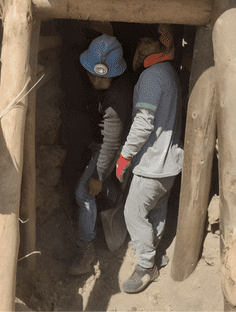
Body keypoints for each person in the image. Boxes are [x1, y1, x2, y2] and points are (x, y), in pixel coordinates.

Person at [116, 24, 184, 294]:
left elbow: (144, 122)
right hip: (170, 164)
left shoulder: (152, 76)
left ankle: (146, 268)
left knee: (133, 213)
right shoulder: (169, 72)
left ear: (163, 46)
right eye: (141, 41)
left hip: (153, 165)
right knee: (156, 212)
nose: (143, 47)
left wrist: (124, 156)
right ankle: (155, 254)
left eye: (149, 42)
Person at [67, 34, 133, 276]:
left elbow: (111, 143)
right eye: (92, 74)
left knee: (83, 191)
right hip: (107, 143)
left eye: (101, 77)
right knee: (93, 185)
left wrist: (98, 174)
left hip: (112, 148)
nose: (95, 80)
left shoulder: (116, 100)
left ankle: (84, 248)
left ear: (113, 74)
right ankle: (111, 192)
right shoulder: (114, 84)